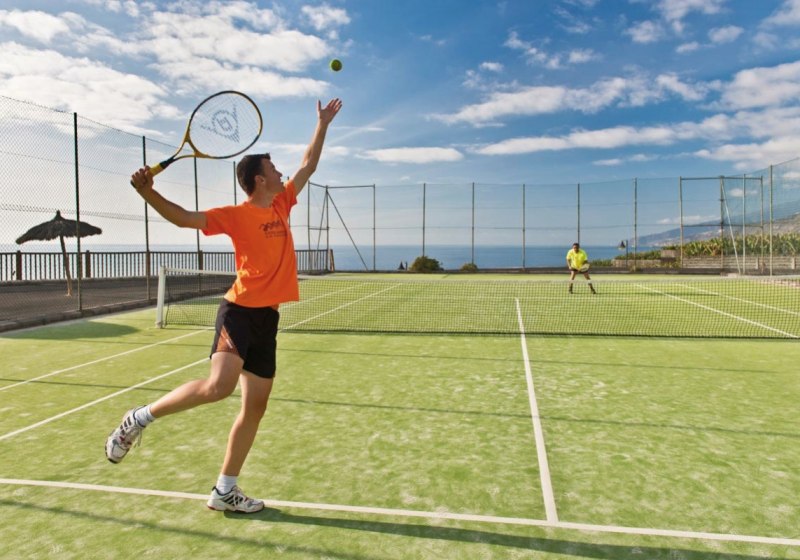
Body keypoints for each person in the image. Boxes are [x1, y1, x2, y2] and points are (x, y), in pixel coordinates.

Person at [105, 98, 343, 513]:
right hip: (239, 312)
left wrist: (321, 124)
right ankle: (139, 418)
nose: (281, 172)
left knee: (256, 407)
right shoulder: (234, 215)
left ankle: (224, 490)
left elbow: (308, 164)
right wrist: (148, 191)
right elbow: (184, 218)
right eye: (273, 168)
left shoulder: (282, 202)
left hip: (268, 320)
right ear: (258, 179)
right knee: (219, 388)